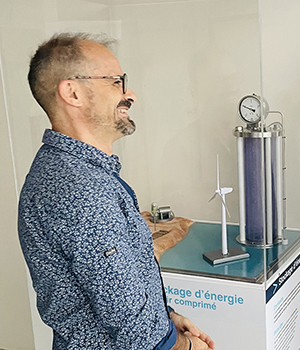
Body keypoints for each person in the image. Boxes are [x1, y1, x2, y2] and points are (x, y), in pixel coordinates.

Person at [18, 33, 215, 350]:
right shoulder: (80, 189)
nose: (130, 95)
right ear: (73, 92)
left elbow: (122, 282)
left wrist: (166, 317)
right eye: (116, 82)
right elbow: (132, 324)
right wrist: (187, 347)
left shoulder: (79, 172)